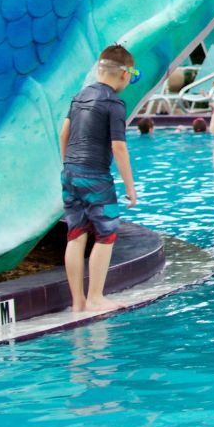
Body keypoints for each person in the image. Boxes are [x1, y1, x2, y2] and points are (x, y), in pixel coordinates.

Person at [58, 44, 140, 313]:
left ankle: (77, 301)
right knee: (106, 233)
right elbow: (118, 147)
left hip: (70, 173)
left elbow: (64, 134)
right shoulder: (114, 103)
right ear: (125, 75)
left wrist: (68, 167)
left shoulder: (80, 95)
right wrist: (130, 187)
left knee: (76, 234)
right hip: (96, 176)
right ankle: (95, 297)